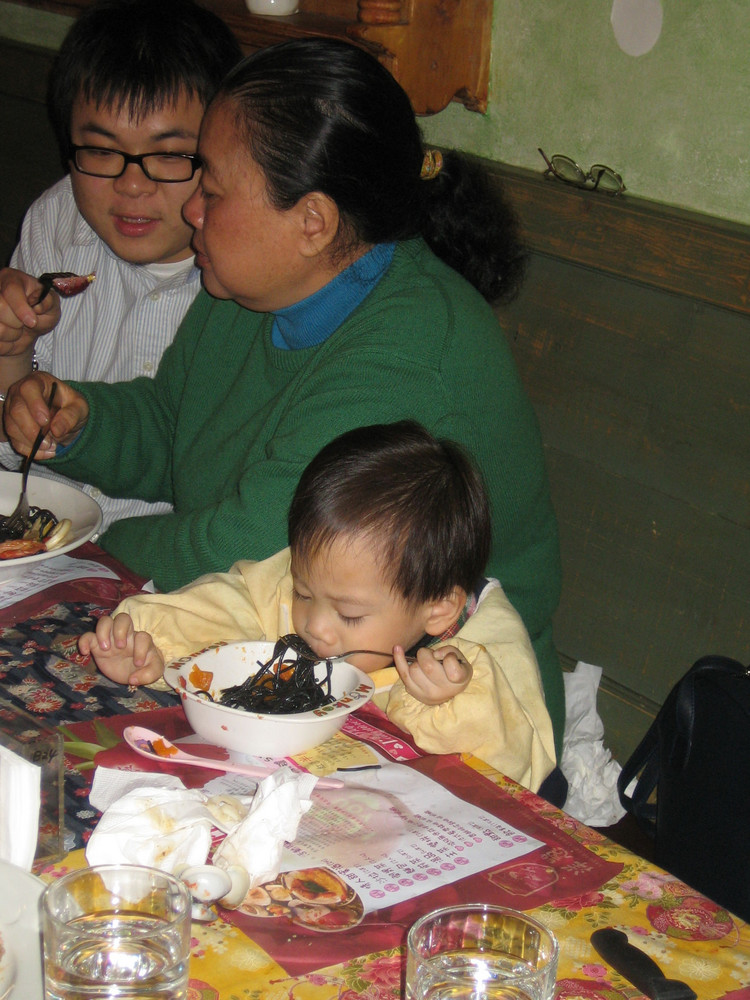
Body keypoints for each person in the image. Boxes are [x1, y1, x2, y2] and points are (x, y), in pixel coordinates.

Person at [4, 37, 566, 754]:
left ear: (313, 223)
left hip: (440, 716)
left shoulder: (405, 361)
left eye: (212, 191)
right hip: (289, 658)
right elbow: (176, 423)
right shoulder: (254, 286)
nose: (192, 210)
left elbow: (247, 549)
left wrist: (71, 540)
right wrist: (83, 423)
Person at [79, 421, 559, 797]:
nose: (315, 626)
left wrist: (451, 704)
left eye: (350, 615)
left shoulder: (483, 650)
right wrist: (149, 643)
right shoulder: (328, 578)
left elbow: (512, 770)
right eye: (304, 594)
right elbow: (229, 604)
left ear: (437, 611)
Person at [0, 0, 241, 531]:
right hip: (39, 532)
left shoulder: (252, 277)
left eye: (170, 155)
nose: (132, 185)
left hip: (163, 557)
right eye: (101, 152)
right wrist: (12, 352)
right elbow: (11, 453)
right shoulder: (58, 219)